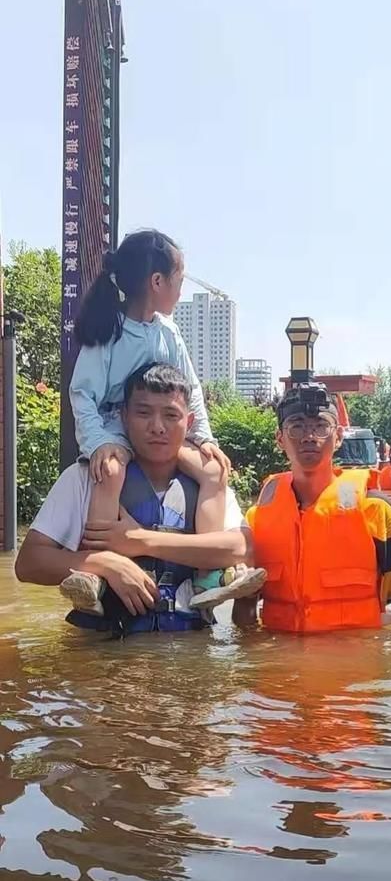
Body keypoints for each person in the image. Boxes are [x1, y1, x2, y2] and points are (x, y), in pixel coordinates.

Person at [63, 229, 258, 616]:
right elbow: (82, 394)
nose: (180, 291)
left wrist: (203, 437)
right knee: (112, 471)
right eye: (179, 281)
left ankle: (207, 575)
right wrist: (99, 443)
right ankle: (98, 573)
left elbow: (192, 391)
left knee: (214, 471)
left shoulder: (169, 332)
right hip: (115, 430)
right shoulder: (110, 330)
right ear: (157, 282)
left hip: (165, 434)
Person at [15, 365, 264, 637]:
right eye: (143, 413)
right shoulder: (88, 476)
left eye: (171, 415)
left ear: (189, 423)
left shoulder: (207, 482)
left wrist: (139, 540)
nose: (157, 427)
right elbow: (29, 563)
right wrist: (107, 564)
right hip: (103, 656)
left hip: (189, 654)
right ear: (124, 416)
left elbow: (242, 548)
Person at [243, 383, 391, 634]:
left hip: (355, 667)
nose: (309, 436)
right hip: (279, 669)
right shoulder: (257, 521)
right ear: (280, 439)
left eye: (320, 426)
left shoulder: (375, 509)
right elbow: (244, 608)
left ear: (338, 436)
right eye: (296, 427)